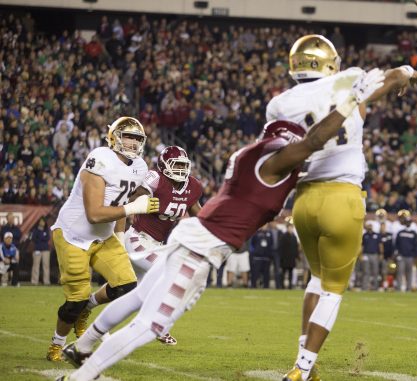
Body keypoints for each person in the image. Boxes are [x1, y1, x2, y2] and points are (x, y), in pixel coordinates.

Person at [58, 69, 385, 381]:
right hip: (200, 250)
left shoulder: (246, 155)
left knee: (141, 294)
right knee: (151, 325)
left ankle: (83, 345)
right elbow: (312, 142)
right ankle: (82, 374)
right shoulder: (272, 164)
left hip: (190, 237)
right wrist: (350, 101)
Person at [266, 34, 417, 381]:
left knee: (316, 279)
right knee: (333, 290)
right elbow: (394, 78)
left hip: (304, 201)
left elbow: (277, 155)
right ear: (330, 62)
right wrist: (406, 70)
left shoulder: (279, 103)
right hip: (342, 197)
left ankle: (302, 363)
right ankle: (303, 367)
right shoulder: (348, 78)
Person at [47, 116, 159, 362]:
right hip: (73, 235)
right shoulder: (100, 158)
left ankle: (87, 308)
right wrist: (134, 209)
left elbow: (120, 203)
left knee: (126, 285)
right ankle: (57, 344)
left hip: (104, 236)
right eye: (128, 136)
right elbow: (95, 213)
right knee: (73, 301)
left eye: (137, 138)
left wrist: (119, 235)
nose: (132, 143)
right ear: (114, 136)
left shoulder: (139, 166)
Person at [123, 145, 202, 345]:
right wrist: (143, 199)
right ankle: (161, 327)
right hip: (137, 239)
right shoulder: (156, 178)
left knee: (137, 293)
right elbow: (134, 197)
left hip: (157, 245)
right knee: (172, 274)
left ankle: (90, 305)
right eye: (176, 165)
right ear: (164, 165)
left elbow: (198, 214)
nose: (181, 170)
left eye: (184, 166)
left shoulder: (192, 187)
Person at [395, 216, 417, 292]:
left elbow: (416, 245)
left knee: (409, 273)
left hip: (410, 256)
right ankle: (398, 288)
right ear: (404, 223)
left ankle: (408, 288)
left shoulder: (414, 233)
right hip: (401, 255)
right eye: (407, 222)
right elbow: (396, 244)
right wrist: (397, 254)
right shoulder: (400, 232)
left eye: (409, 222)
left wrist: (415, 256)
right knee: (400, 272)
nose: (408, 224)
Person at [251, 224, 275, 288]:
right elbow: (252, 244)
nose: (264, 226)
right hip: (257, 257)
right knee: (255, 273)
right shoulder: (256, 233)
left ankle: (266, 286)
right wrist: (255, 252)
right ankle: (253, 286)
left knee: (266, 274)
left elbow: (271, 244)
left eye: (266, 225)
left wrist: (270, 254)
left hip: (266, 257)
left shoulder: (269, 234)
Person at [30, 217, 51, 285]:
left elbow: (47, 238)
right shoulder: (35, 230)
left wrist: (40, 238)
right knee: (36, 265)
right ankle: (34, 281)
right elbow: (33, 238)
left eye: (43, 221)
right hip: (37, 250)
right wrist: (42, 238)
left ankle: (46, 281)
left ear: (45, 222)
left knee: (46, 266)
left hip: (46, 250)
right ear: (39, 222)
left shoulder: (46, 230)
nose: (42, 223)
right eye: (41, 221)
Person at [361, 223, 382, 291]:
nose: (369, 227)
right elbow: (362, 246)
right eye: (368, 226)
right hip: (366, 255)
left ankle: (375, 287)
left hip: (374, 255)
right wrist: (360, 255)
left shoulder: (377, 235)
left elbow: (380, 245)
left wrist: (381, 253)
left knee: (375, 271)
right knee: (366, 271)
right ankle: (365, 287)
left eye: (370, 225)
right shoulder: (365, 235)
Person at [279, 222, 300, 289]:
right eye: (289, 227)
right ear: (287, 228)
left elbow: (296, 247)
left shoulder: (294, 237)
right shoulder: (283, 236)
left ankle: (290, 286)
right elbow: (281, 248)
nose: (290, 229)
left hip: (291, 258)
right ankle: (282, 286)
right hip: (285, 258)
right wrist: (281, 258)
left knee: (291, 273)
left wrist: (297, 256)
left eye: (291, 227)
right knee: (283, 272)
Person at [379, 222, 395, 290]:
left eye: (384, 226)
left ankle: (392, 284)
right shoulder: (378, 235)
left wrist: (392, 255)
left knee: (392, 271)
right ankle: (385, 284)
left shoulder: (390, 235)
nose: (383, 228)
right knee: (384, 271)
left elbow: (392, 245)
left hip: (390, 256)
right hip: (382, 256)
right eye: (382, 226)